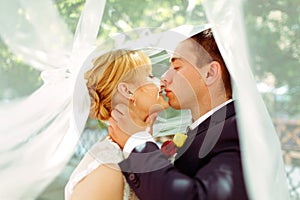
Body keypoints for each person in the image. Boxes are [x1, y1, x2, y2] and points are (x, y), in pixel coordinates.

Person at [109, 28, 250, 199]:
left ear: (210, 73)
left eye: (177, 67)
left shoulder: (237, 131)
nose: (164, 78)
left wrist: (138, 143)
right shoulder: (208, 129)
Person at [64, 49, 169, 200]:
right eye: (150, 76)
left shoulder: (136, 152)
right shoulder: (108, 167)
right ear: (127, 90)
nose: (161, 81)